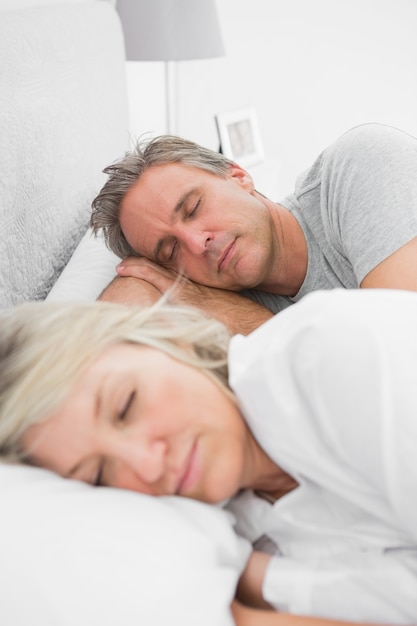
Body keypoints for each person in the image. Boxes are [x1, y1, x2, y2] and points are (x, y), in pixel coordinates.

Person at [1, 288, 416, 625]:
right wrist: (253, 573)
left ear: (165, 336)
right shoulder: (230, 530)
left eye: (126, 405)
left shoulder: (331, 350)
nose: (147, 464)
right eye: (99, 475)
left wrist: (258, 580)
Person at [90, 122, 417, 334]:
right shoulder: (211, 300)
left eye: (193, 208)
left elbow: (401, 359)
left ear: (238, 176)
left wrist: (220, 307)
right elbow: (111, 324)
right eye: (171, 250)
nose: (196, 242)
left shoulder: (359, 165)